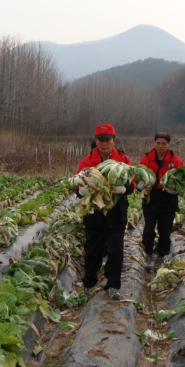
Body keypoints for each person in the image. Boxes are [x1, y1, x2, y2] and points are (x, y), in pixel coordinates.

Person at [75, 124, 134, 300]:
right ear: (96, 141)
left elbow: (132, 184)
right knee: (93, 248)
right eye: (101, 140)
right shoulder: (86, 162)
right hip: (94, 211)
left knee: (116, 249)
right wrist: (82, 191)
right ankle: (89, 282)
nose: (104, 143)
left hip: (116, 211)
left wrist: (124, 189)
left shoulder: (123, 160)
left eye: (107, 140)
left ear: (113, 141)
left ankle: (113, 285)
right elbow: (77, 187)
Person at [139, 133, 184, 270]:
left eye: (164, 143)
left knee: (165, 230)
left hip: (168, 199)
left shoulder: (176, 161)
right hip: (151, 198)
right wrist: (140, 186)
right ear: (154, 143)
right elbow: (139, 176)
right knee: (148, 229)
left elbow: (181, 181)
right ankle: (148, 252)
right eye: (158, 143)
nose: (160, 146)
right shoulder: (146, 159)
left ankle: (161, 255)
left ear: (169, 144)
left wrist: (175, 189)